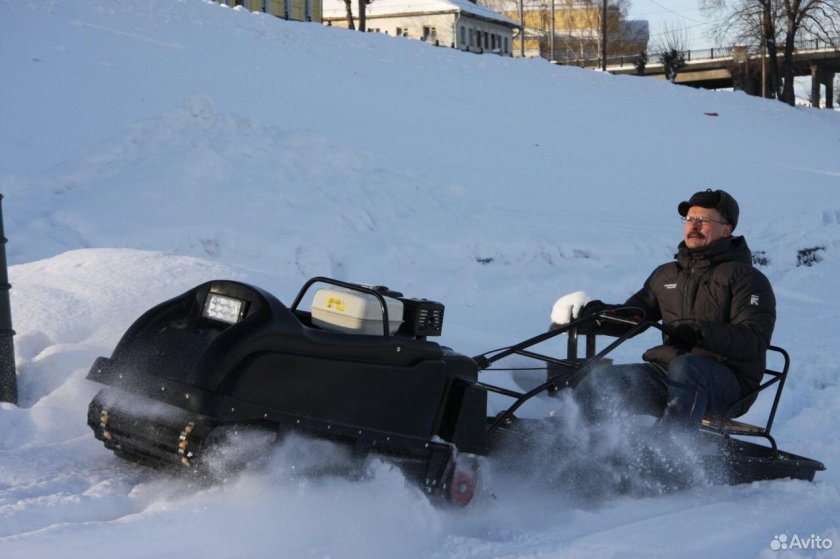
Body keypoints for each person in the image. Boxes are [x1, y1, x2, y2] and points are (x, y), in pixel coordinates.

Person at [550, 189, 776, 429]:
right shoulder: (667, 275)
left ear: (727, 229)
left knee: (686, 368)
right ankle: (568, 440)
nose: (694, 225)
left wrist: (700, 334)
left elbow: (754, 337)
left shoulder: (747, 279)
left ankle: (670, 451)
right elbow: (635, 316)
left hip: (728, 383)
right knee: (605, 380)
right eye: (690, 219)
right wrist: (596, 317)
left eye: (704, 220)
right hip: (668, 373)